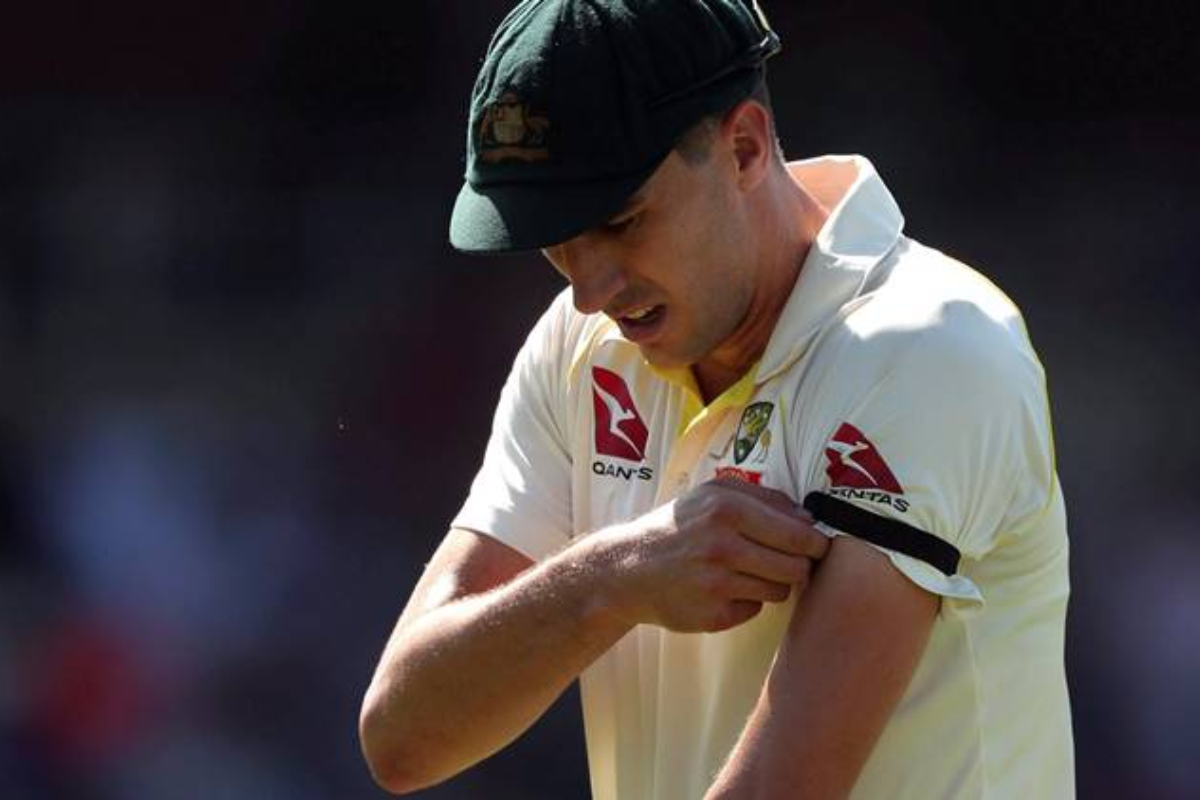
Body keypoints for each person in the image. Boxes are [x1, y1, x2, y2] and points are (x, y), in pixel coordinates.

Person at [359, 1, 1074, 797]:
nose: (590, 290)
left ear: (744, 147)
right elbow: (402, 738)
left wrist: (620, 578)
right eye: (557, 239)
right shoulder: (580, 346)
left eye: (622, 221)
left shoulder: (928, 346)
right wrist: (614, 576)